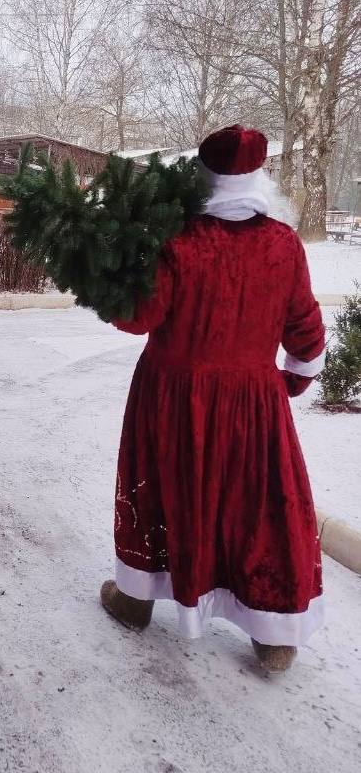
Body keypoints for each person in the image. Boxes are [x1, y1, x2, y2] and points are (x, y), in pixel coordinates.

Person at [100, 124, 326, 673]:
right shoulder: (282, 244)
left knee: (162, 489)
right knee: (258, 505)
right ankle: (273, 636)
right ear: (258, 178)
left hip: (172, 399)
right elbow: (305, 328)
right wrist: (295, 377)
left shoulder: (177, 240)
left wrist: (105, 276)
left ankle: (136, 597)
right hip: (254, 403)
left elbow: (137, 315)